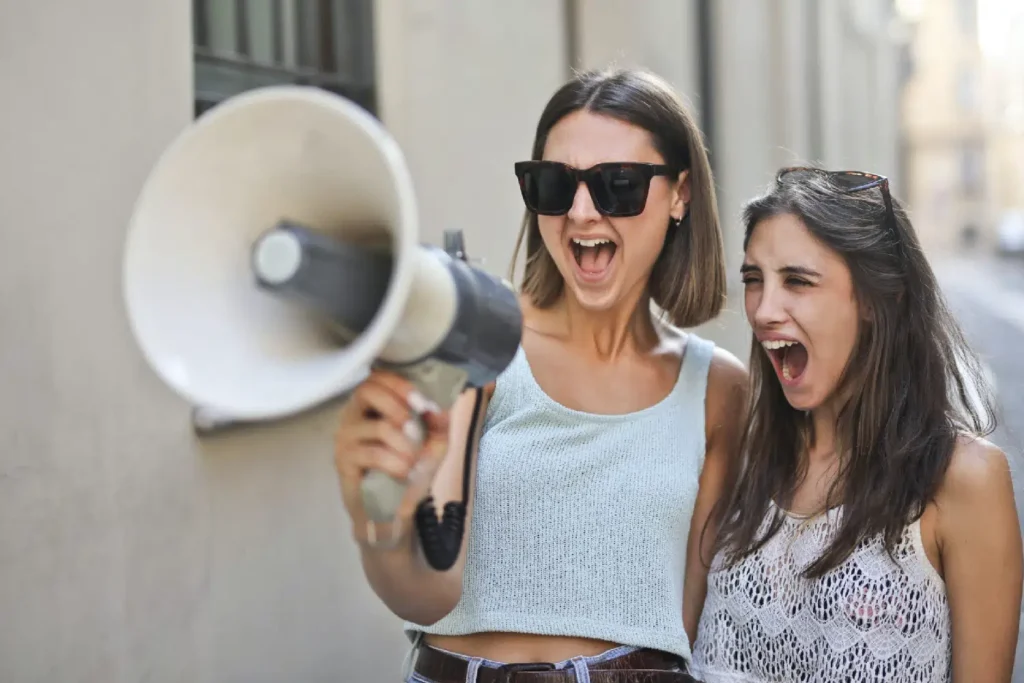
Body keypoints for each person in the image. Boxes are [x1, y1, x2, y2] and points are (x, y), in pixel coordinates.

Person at [333, 67, 748, 682]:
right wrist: (382, 523)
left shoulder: (719, 389)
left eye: (618, 185)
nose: (581, 213)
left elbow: (689, 626)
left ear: (680, 194)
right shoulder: (481, 339)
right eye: (555, 184)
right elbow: (428, 592)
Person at [690, 167, 1023, 683]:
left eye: (797, 280)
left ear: (874, 300)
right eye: (754, 280)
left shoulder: (964, 480)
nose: (763, 309)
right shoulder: (742, 457)